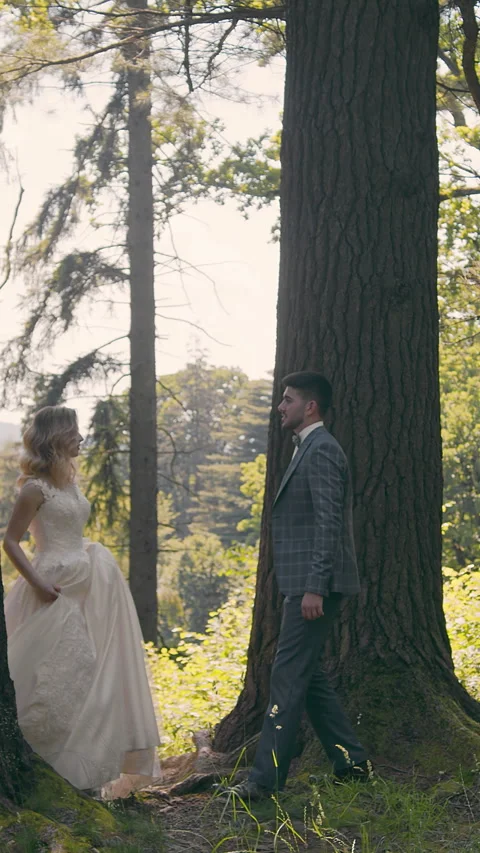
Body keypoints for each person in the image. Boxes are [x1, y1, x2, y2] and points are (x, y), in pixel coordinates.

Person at [228, 371, 372, 799]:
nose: (280, 406)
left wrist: (314, 586)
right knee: (308, 679)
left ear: (310, 406)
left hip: (316, 586)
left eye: (287, 399)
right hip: (307, 584)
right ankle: (352, 762)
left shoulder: (322, 449)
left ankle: (262, 782)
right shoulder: (307, 447)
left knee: (287, 677)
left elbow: (330, 523)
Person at [3, 406, 160, 797]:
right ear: (54, 437)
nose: (81, 438)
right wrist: (37, 582)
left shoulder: (71, 484)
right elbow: (10, 541)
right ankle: (47, 764)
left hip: (84, 583)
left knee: (89, 674)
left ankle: (82, 771)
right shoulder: (34, 488)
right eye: (73, 431)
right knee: (54, 675)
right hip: (51, 587)